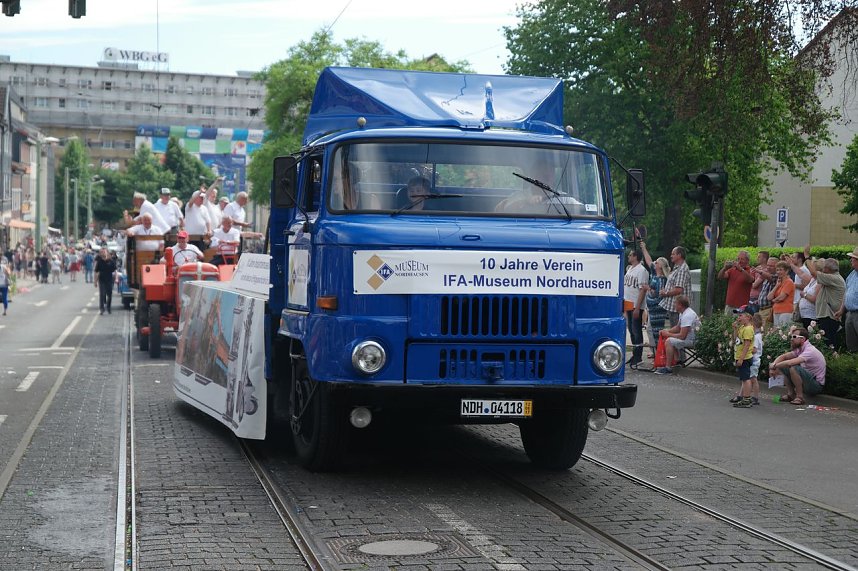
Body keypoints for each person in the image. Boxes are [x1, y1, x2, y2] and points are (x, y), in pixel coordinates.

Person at [769, 326, 826, 405]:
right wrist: (773, 366)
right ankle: (791, 394)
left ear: (802, 339)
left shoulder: (810, 350)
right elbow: (784, 357)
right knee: (783, 366)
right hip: (807, 381)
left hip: (815, 385)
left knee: (794, 368)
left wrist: (774, 366)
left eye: (794, 337)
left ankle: (800, 397)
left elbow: (790, 363)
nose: (791, 339)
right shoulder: (800, 349)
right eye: (791, 337)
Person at [803, 246, 846, 348]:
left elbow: (814, 273)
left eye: (824, 268)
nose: (822, 270)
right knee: (827, 343)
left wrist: (807, 257)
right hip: (827, 316)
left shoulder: (833, 278)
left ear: (828, 269)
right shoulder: (832, 278)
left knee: (829, 343)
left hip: (830, 316)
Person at [654, 295, 699, 375]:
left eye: (675, 303)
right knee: (671, 339)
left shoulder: (687, 315)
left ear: (680, 305)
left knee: (669, 341)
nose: (674, 305)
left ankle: (668, 368)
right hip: (690, 338)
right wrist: (666, 331)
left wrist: (668, 334)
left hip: (694, 340)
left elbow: (682, 336)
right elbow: (678, 328)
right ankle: (677, 362)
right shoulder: (683, 313)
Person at [640, 240, 669, 360]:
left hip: (657, 310)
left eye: (657, 262)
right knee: (650, 329)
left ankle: (659, 354)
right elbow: (648, 261)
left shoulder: (662, 279)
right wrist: (643, 248)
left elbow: (658, 295)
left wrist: (648, 288)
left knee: (656, 331)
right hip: (651, 309)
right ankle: (655, 351)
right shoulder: (654, 274)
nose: (654, 263)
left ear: (660, 266)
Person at [623, 249, 649, 369]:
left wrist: (638, 308)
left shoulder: (641, 270)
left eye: (630, 255)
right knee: (631, 330)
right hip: (628, 303)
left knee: (637, 330)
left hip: (635, 305)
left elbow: (642, 290)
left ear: (635, 256)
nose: (628, 256)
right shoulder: (630, 269)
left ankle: (638, 356)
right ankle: (634, 354)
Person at [731, 305, 756, 408]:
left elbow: (746, 345)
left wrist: (741, 359)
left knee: (746, 379)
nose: (738, 318)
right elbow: (736, 340)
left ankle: (746, 399)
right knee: (744, 378)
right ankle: (746, 398)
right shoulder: (742, 327)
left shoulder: (748, 329)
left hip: (745, 358)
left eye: (741, 315)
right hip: (741, 356)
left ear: (748, 317)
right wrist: (735, 329)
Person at [658, 246, 691, 326]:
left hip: (678, 309)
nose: (671, 256)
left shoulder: (682, 269)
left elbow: (679, 289)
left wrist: (665, 293)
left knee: (677, 330)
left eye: (673, 254)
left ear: (679, 255)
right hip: (674, 307)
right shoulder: (677, 268)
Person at [839, 247, 858, 351]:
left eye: (853, 258)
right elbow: (846, 293)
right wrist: (841, 310)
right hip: (850, 313)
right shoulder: (852, 274)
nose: (851, 260)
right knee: (851, 344)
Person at [768, 260, 795, 327]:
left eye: (781, 270)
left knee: (783, 330)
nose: (778, 272)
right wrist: (777, 286)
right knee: (777, 331)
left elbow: (782, 297)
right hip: (776, 310)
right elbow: (769, 297)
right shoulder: (779, 282)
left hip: (786, 311)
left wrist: (774, 300)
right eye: (777, 270)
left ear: (786, 271)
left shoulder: (789, 282)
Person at [754, 257, 777, 330]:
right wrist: (759, 300)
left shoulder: (777, 276)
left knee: (765, 330)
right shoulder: (766, 277)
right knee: (760, 330)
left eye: (771, 266)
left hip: (768, 309)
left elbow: (771, 278)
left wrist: (759, 271)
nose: (768, 267)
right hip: (761, 310)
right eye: (768, 265)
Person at [93, 247, 117, 315]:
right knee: (102, 294)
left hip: (109, 279)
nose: (102, 253)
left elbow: (115, 271)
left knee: (109, 294)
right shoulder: (99, 261)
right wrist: (95, 281)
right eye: (101, 252)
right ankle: (102, 309)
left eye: (104, 252)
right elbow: (96, 272)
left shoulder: (111, 261)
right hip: (102, 280)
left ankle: (108, 308)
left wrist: (116, 278)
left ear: (107, 252)